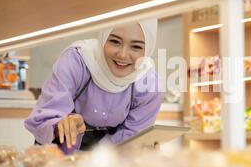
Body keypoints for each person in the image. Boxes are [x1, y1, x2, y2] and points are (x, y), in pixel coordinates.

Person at [24, 19, 162, 154]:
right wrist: (60, 125)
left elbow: (132, 136)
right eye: (114, 41)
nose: (122, 54)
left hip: (107, 161)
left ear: (148, 48)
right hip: (58, 154)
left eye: (136, 47)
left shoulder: (149, 83)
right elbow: (43, 118)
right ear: (103, 37)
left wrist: (141, 146)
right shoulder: (77, 61)